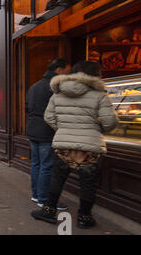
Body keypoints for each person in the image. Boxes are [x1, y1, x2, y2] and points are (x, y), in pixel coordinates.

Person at [31, 61, 119, 229]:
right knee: (88, 183)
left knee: (57, 177)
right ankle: (84, 218)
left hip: (64, 145)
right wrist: (95, 129)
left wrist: (64, 129)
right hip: (90, 147)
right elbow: (110, 122)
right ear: (95, 75)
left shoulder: (58, 93)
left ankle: (48, 211)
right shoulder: (100, 95)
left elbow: (48, 117)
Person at [25, 58, 70, 210]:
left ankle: (36, 195)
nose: (68, 73)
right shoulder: (55, 87)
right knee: (46, 165)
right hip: (46, 131)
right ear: (59, 70)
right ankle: (44, 199)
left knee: (36, 163)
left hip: (32, 130)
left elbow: (27, 108)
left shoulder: (34, 86)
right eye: (67, 70)